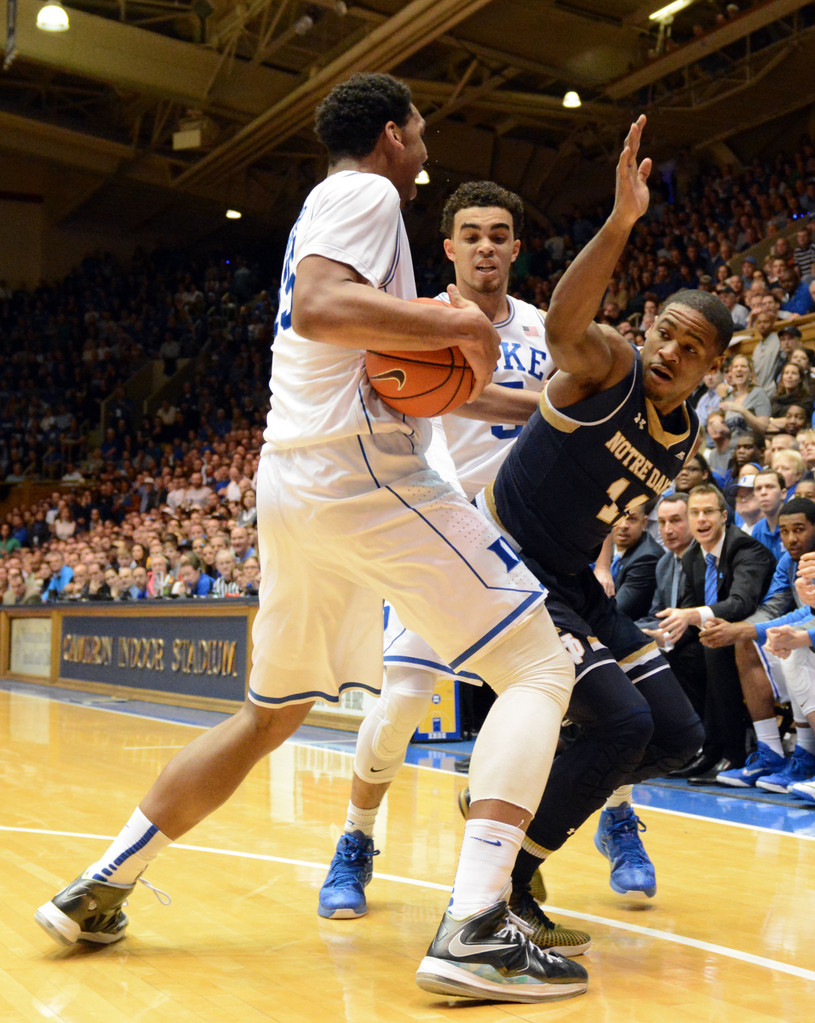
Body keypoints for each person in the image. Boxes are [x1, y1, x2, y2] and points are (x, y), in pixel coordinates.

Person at [35, 73, 587, 1004]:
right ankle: (478, 928)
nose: (423, 147)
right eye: (418, 129)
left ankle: (103, 882)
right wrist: (450, 319)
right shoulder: (365, 192)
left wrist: (553, 406)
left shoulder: (339, 205)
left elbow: (406, 370)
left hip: (297, 481)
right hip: (361, 475)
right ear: (388, 133)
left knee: (269, 714)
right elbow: (325, 310)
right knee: (539, 668)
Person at [317, 179, 589, 955]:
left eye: (499, 234)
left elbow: (584, 408)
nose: (486, 247)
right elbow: (423, 403)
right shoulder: (421, 323)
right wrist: (528, 402)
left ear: (514, 246)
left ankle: (620, 819)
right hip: (450, 529)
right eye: (471, 234)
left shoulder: (547, 326)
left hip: (544, 533)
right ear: (448, 247)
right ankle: (354, 839)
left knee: (585, 688)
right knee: (402, 696)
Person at [476, 117, 731, 905]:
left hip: (571, 580)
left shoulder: (681, 431)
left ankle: (516, 805)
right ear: (647, 325)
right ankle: (504, 881)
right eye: (666, 333)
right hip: (506, 562)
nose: (669, 352)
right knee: (621, 724)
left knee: (678, 735)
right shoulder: (609, 363)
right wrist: (622, 220)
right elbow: (560, 326)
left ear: (708, 368)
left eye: (690, 350)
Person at [655, 484, 776, 782]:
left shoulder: (745, 548)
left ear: (724, 516)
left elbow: (741, 603)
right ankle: (706, 747)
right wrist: (661, 638)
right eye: (694, 513)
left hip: (758, 639)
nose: (701, 520)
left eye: (708, 512)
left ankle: (733, 753)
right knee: (676, 655)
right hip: (720, 636)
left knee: (714, 645)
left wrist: (693, 616)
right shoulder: (694, 555)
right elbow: (686, 609)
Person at [699, 497, 815, 789]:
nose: (790, 538)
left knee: (791, 644)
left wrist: (794, 634)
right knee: (757, 643)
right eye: (785, 531)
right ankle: (773, 754)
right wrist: (746, 631)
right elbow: (779, 607)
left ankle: (808, 754)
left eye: (799, 529)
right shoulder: (790, 561)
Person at [608, 505, 663, 620]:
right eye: (618, 518)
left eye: (632, 519)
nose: (623, 525)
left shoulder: (647, 557)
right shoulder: (607, 548)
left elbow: (616, 612)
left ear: (644, 523)